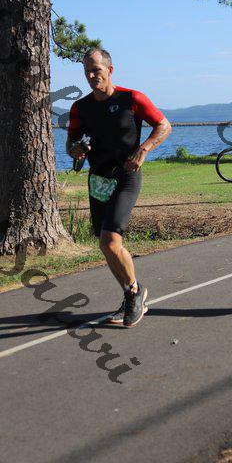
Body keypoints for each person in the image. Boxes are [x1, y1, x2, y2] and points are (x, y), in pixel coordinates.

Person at [66, 48, 171, 326]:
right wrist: (76, 150)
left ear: (110, 70)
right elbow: (71, 144)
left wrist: (143, 150)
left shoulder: (132, 98)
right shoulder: (80, 108)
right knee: (107, 245)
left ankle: (134, 293)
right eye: (87, 71)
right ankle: (131, 292)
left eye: (96, 70)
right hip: (99, 179)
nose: (91, 76)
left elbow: (163, 125)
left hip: (126, 176)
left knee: (110, 241)